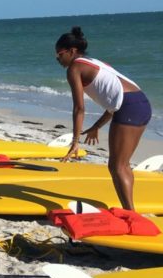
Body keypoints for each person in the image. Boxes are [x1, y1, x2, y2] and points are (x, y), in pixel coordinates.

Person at [55, 26, 152, 211]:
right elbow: (114, 100)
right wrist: (96, 127)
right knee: (122, 164)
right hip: (141, 103)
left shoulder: (74, 68)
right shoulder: (94, 62)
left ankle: (130, 213)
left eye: (59, 54)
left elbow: (79, 108)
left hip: (129, 106)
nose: (57, 59)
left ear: (71, 51)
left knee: (117, 166)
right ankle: (130, 209)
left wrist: (75, 141)